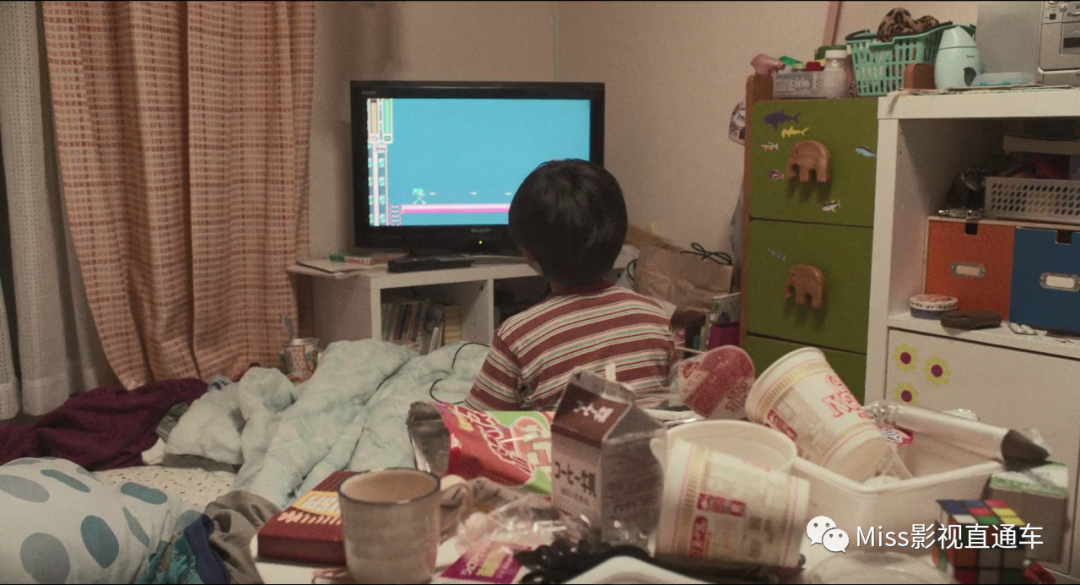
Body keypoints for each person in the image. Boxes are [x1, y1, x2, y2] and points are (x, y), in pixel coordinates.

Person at [465, 159, 677, 411]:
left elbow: (477, 422)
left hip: (558, 438)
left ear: (527, 253)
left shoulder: (517, 335)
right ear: (619, 239)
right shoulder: (654, 316)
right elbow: (671, 398)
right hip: (646, 435)